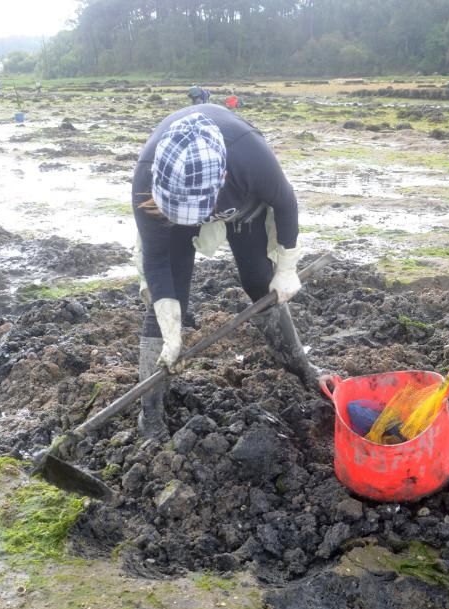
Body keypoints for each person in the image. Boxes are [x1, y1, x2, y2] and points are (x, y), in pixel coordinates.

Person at [132, 105, 318, 439]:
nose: (193, 220)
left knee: (260, 281)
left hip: (243, 209)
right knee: (168, 304)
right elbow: (157, 262)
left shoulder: (249, 154)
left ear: (221, 179)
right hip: (170, 215)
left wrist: (287, 266)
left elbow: (286, 203)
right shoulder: (147, 181)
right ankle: (152, 417)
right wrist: (171, 328)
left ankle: (301, 368)